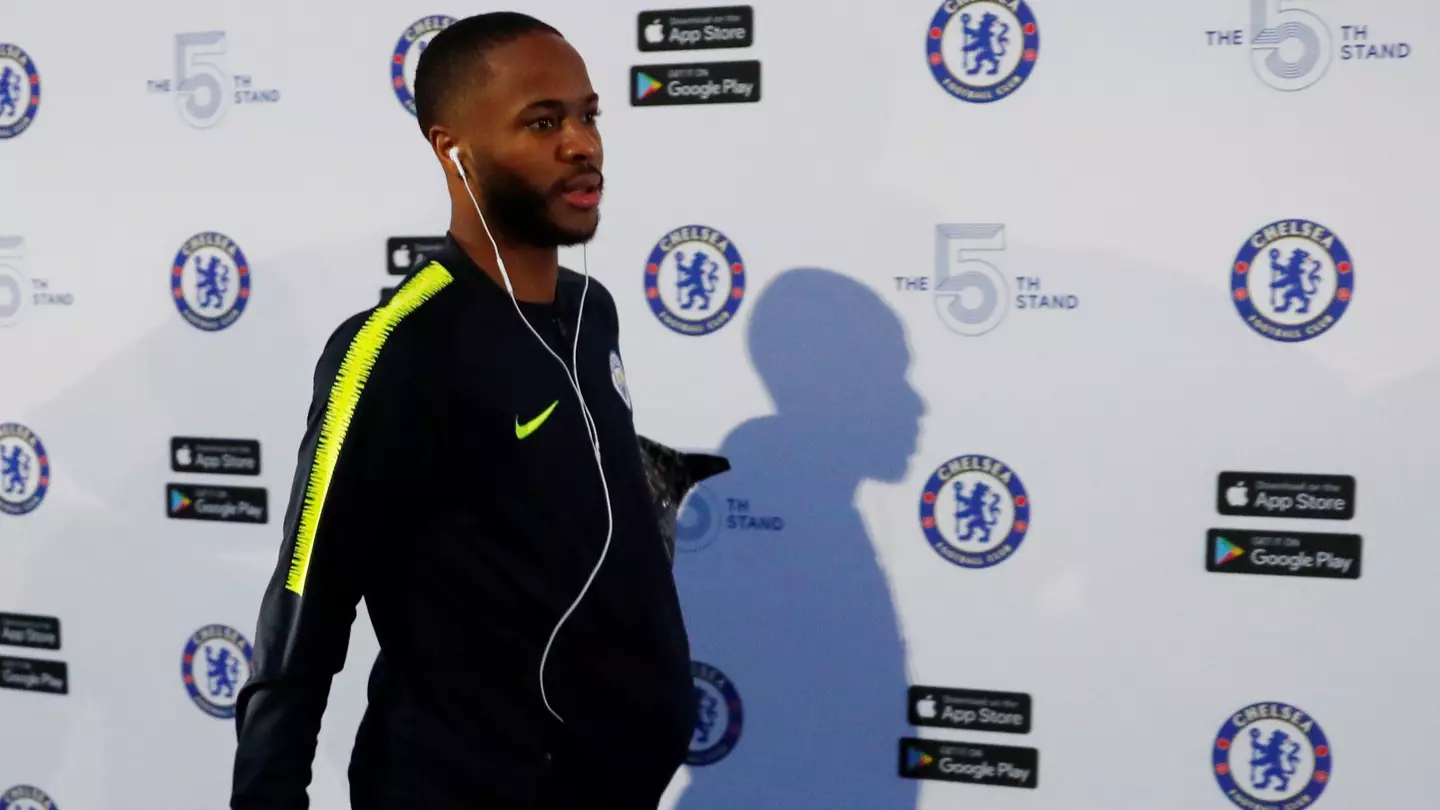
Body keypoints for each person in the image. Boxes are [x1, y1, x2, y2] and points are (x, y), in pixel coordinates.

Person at [230, 12, 695, 809]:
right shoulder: (397, 348)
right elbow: (303, 615)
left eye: (588, 115)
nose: (582, 144)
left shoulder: (593, 313)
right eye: (543, 122)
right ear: (454, 148)